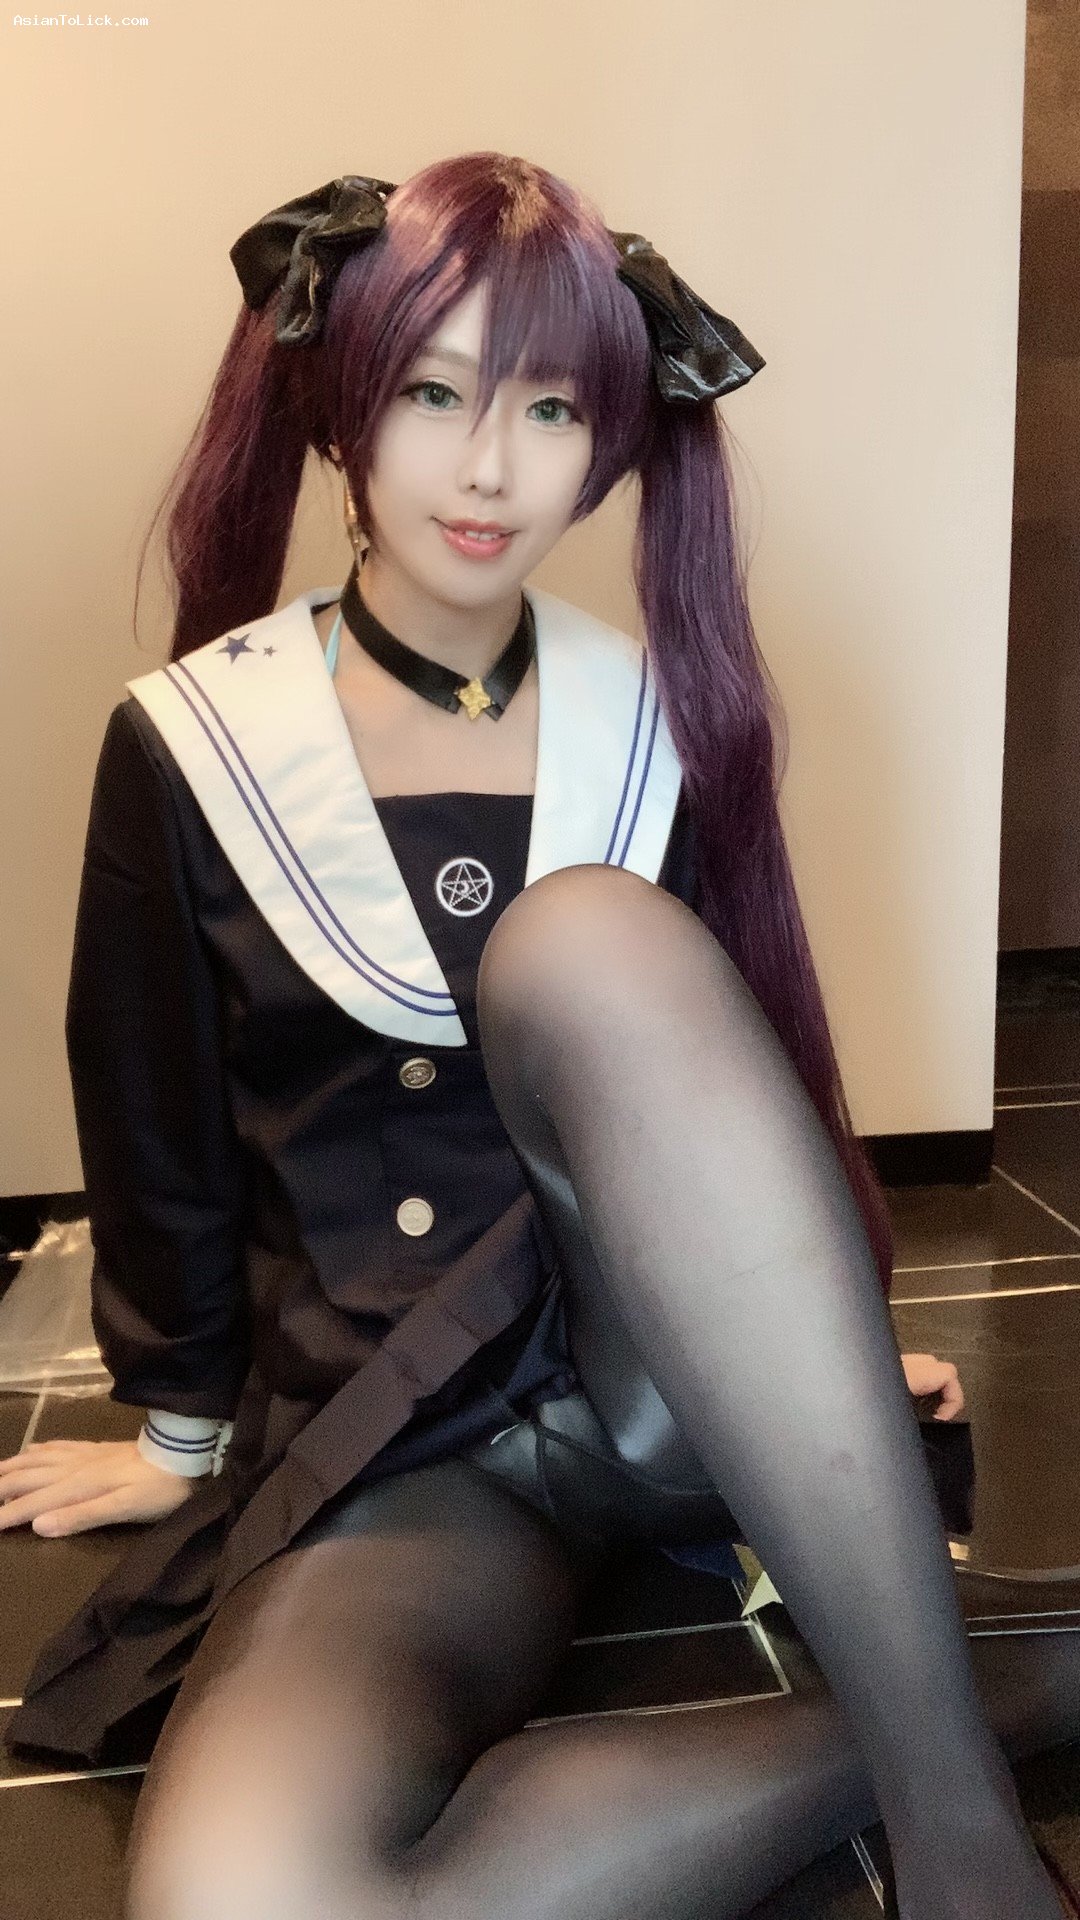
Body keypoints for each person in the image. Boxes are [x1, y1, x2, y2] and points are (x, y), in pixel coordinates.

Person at [1, 151, 1077, 1920]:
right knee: (245, 1896)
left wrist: (819, 1350)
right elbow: (154, 1130)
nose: (491, 467)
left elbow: (736, 1073)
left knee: (585, 947)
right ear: (344, 407)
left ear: (612, 440)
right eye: (433, 394)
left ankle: (970, 1861)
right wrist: (178, 1440)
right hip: (404, 1425)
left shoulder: (652, 715)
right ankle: (1014, 1687)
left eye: (553, 408)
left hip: (656, 1385)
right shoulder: (196, 740)